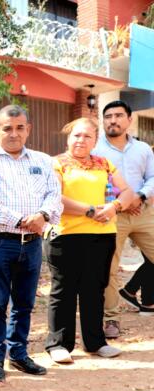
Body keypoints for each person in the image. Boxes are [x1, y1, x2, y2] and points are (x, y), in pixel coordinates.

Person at [0, 104, 62, 382]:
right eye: (7, 129)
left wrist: (43, 216)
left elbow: (54, 194)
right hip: (0, 243)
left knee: (24, 303)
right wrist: (25, 219)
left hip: (33, 244)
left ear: (28, 129)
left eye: (20, 127)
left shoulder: (43, 161)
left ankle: (19, 354)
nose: (14, 133)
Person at [45, 117, 135, 363]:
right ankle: (59, 344)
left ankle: (95, 342)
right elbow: (55, 197)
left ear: (95, 140)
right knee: (63, 290)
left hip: (102, 236)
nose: (81, 140)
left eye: (87, 136)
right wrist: (89, 210)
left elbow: (127, 192)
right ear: (68, 137)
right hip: (66, 235)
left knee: (94, 290)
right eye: (77, 135)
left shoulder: (104, 163)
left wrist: (114, 206)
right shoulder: (56, 163)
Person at [92, 100, 154, 335]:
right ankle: (111, 319)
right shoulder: (95, 150)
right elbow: (95, 184)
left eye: (118, 115)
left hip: (144, 212)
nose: (113, 120)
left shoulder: (143, 149)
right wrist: (122, 203)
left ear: (129, 120)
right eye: (108, 116)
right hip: (112, 215)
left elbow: (152, 178)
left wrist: (139, 196)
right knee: (108, 268)